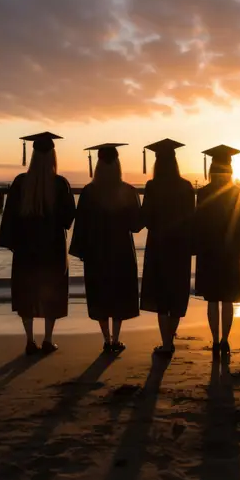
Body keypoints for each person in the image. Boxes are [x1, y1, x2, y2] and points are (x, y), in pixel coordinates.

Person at [0, 132, 76, 356]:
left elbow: (10, 217)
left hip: (26, 249)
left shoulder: (21, 183)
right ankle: (48, 340)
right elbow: (68, 219)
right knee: (53, 291)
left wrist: (13, 243)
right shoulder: (60, 184)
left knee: (26, 292)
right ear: (53, 156)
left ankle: (30, 341)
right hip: (52, 248)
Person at [69, 143, 142, 353]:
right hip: (121, 251)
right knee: (119, 294)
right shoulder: (127, 190)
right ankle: (116, 339)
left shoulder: (89, 192)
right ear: (118, 165)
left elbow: (80, 224)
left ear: (98, 165)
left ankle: (106, 338)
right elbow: (136, 226)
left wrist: (82, 251)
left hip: (96, 252)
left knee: (99, 294)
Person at [140, 139, 195, 355]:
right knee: (177, 293)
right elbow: (192, 219)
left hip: (159, 247)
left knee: (161, 294)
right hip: (180, 247)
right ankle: (170, 336)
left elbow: (146, 217)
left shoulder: (152, 186)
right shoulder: (186, 187)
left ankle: (166, 343)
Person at [194, 145, 240, 357]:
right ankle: (225, 340)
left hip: (209, 250)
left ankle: (215, 340)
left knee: (213, 299)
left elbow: (198, 221)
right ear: (230, 169)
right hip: (232, 251)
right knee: (228, 298)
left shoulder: (204, 192)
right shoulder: (237, 192)